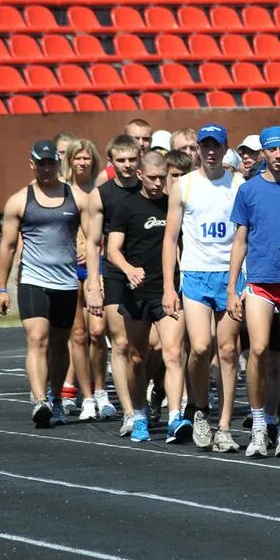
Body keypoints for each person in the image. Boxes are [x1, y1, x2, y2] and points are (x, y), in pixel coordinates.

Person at [162, 124, 244, 452]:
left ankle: (223, 425)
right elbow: (170, 238)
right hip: (195, 273)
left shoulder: (239, 184)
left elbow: (244, 234)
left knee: (227, 351)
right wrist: (169, 286)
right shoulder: (183, 185)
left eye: (217, 146)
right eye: (205, 146)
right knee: (199, 347)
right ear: (197, 149)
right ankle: (198, 406)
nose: (211, 152)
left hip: (230, 274)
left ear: (225, 149)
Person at [0, 141, 89, 427]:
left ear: (58, 163)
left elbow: (94, 238)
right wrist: (1, 288)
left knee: (60, 345)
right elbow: (8, 246)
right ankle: (39, 400)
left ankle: (57, 397)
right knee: (37, 338)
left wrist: (92, 271)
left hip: (66, 281)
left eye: (51, 162)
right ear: (32, 163)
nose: (47, 168)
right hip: (33, 279)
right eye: (42, 163)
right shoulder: (19, 201)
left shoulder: (77, 198)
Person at [229, 126, 280, 457]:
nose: (277, 155)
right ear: (263, 153)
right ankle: (260, 425)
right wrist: (233, 288)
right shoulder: (248, 191)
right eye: (271, 150)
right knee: (258, 351)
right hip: (260, 281)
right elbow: (240, 240)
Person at [106, 151, 186, 443]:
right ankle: (138, 413)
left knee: (173, 353)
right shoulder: (126, 207)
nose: (157, 183)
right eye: (151, 177)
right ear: (139, 175)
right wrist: (128, 269)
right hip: (137, 292)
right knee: (137, 358)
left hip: (168, 290)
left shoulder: (173, 204)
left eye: (162, 178)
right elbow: (112, 249)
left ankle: (176, 417)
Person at [85, 135, 143, 435]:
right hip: (116, 273)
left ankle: (151, 396)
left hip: (150, 273)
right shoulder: (101, 195)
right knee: (120, 344)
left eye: (132, 159)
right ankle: (130, 412)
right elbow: (94, 243)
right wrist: (94, 284)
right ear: (111, 162)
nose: (127, 165)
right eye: (121, 160)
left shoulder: (152, 188)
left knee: (150, 348)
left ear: (140, 158)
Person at [62, 139, 109, 421]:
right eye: (77, 158)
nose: (82, 162)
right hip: (69, 266)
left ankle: (102, 390)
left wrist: (96, 249)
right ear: (70, 161)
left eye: (86, 158)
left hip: (99, 265)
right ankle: (87, 395)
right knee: (77, 334)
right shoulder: (63, 192)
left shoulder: (101, 190)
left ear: (93, 160)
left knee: (98, 331)